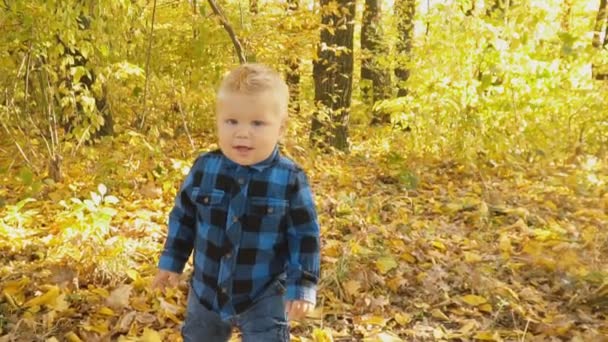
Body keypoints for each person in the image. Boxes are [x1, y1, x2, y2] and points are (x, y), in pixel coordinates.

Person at [152, 63, 320, 342]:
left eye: (257, 123)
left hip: (263, 291)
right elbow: (184, 217)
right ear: (218, 121)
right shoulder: (205, 168)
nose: (242, 133)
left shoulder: (289, 178)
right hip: (206, 289)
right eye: (232, 122)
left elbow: (304, 236)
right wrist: (172, 261)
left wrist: (302, 285)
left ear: (280, 128)